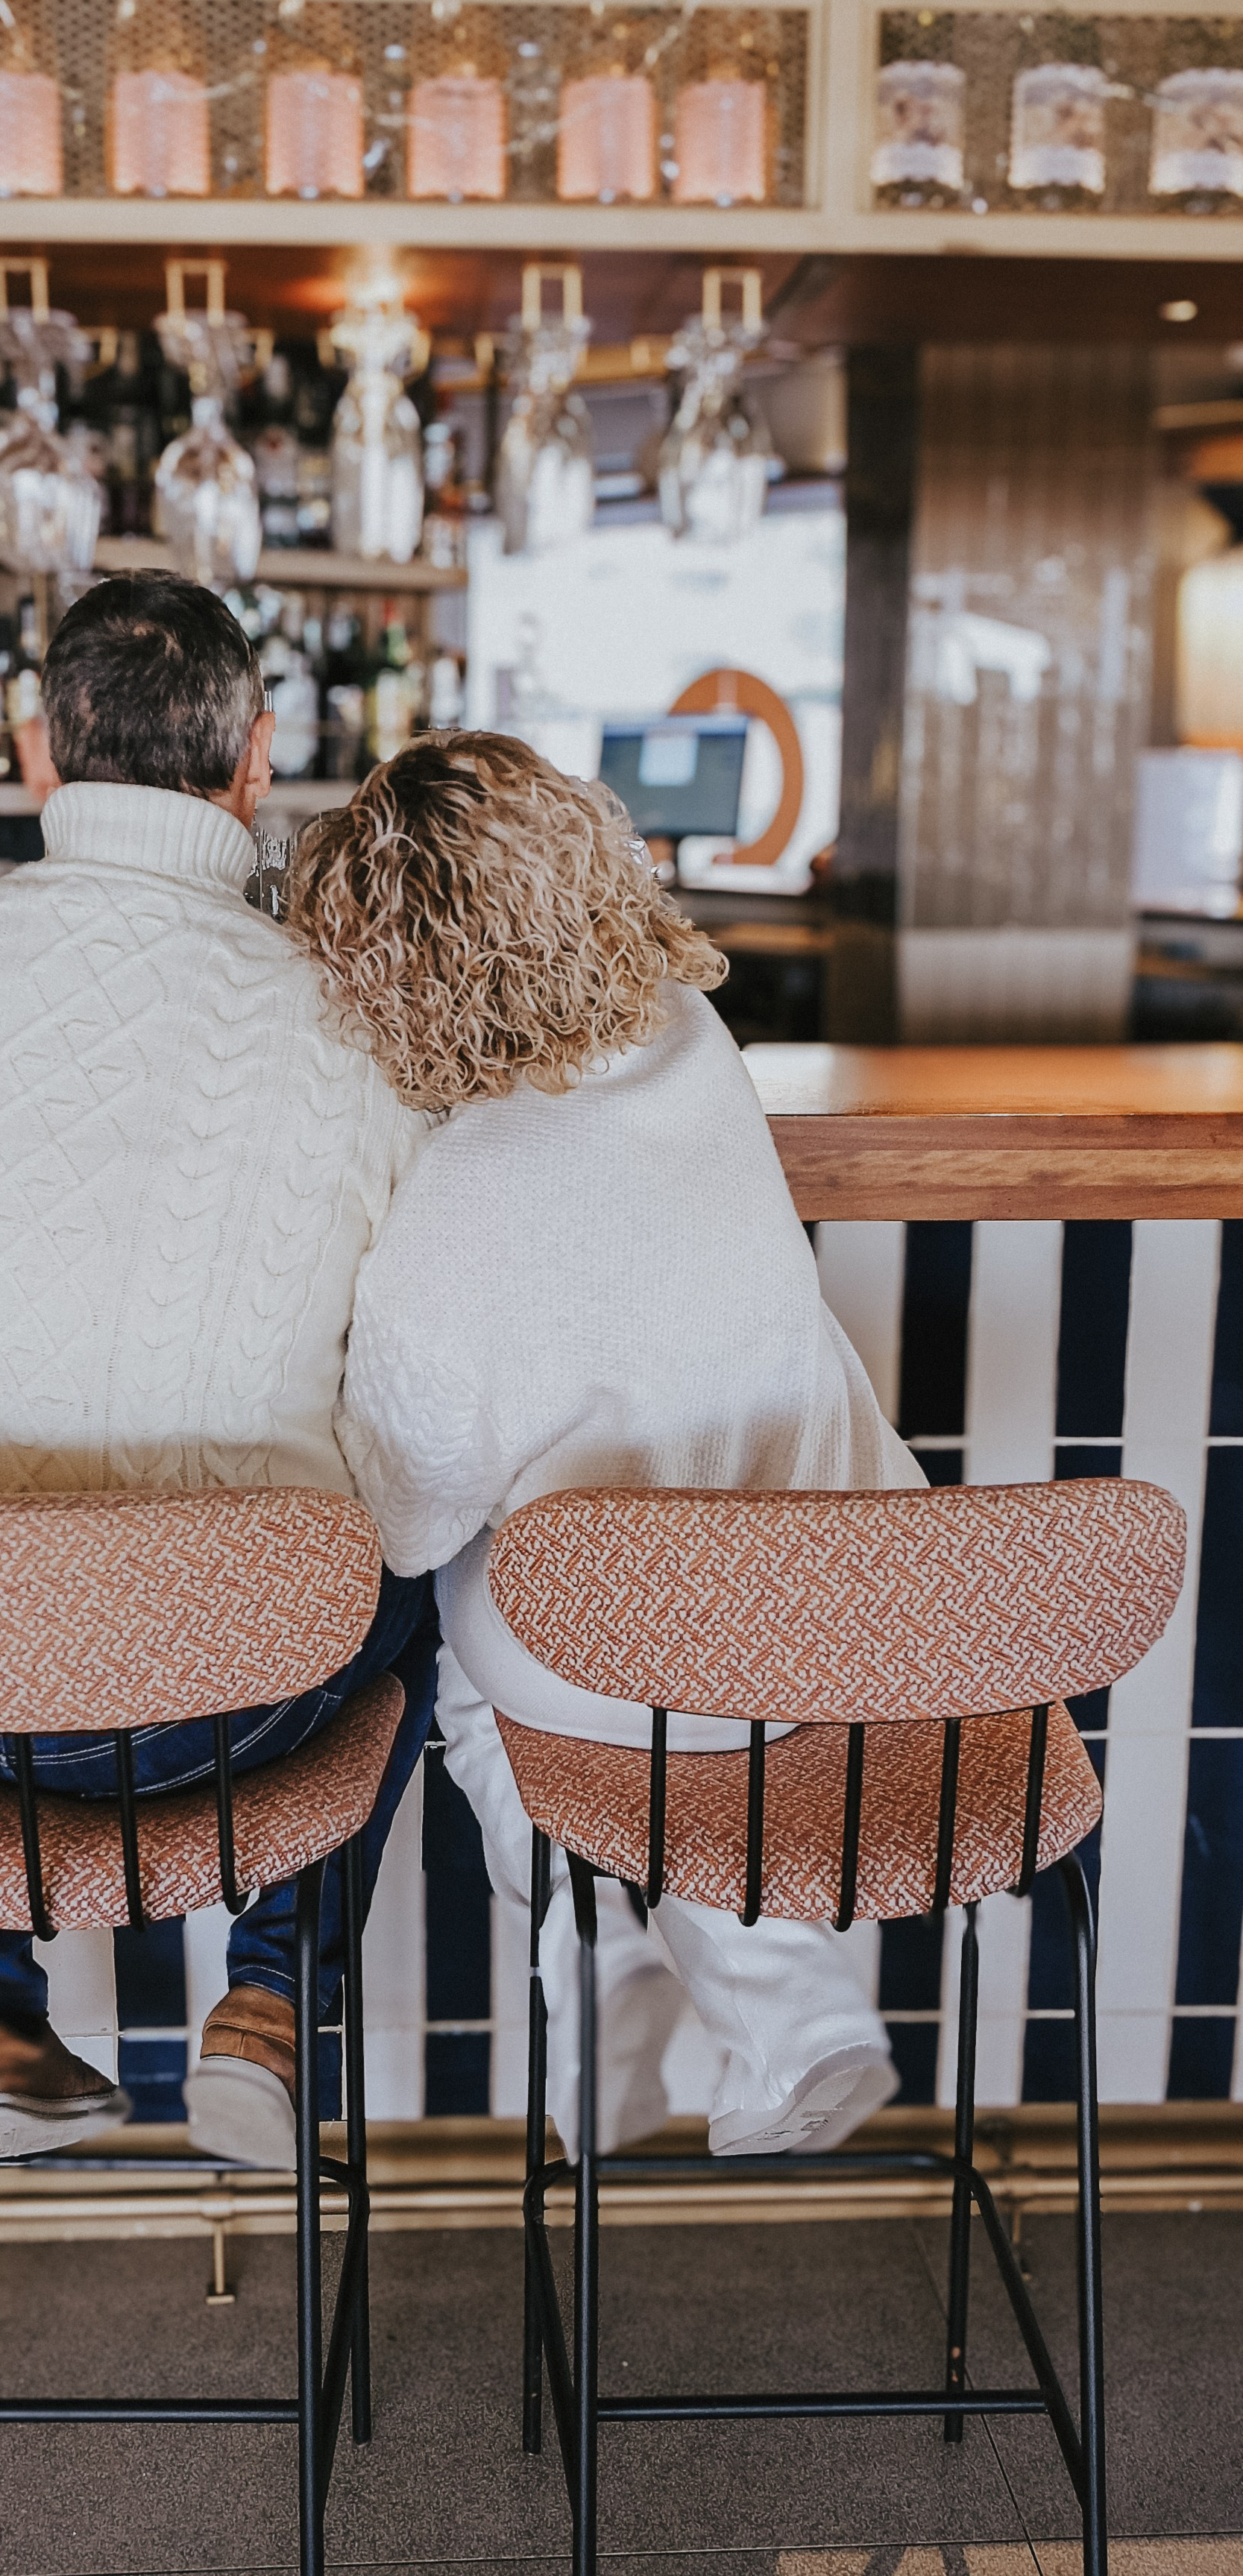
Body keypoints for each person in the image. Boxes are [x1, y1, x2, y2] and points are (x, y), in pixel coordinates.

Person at [0, 572, 435, 2168]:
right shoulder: (359, 1015)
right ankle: (271, 2005)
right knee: (425, 1548)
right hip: (228, 1712)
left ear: (40, 748)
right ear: (256, 760)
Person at [291, 730, 919, 2159]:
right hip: (863, 1615)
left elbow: (398, 1513)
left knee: (455, 1621)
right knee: (663, 1641)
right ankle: (784, 1998)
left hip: (648, 1676)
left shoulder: (454, 1207)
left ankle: (590, 1950)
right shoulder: (697, 1052)